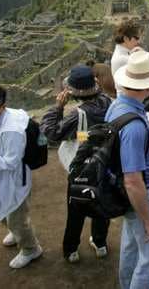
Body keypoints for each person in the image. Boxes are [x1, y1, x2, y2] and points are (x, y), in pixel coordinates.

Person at [40, 65, 113, 263]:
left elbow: (52, 133)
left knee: (76, 209)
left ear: (71, 92)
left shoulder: (78, 114)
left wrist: (58, 108)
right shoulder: (109, 102)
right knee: (101, 204)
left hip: (82, 167)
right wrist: (85, 136)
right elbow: (101, 132)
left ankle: (71, 250)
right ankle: (100, 244)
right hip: (104, 162)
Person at [108, 50, 149, 288]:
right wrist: (147, 218)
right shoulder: (134, 126)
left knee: (132, 245)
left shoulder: (117, 105)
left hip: (130, 194)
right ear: (148, 88)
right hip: (143, 195)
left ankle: (126, 283)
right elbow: (133, 180)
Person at [0, 85, 42, 269]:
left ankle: (31, 249)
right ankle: (16, 231)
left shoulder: (12, 130)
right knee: (0, 210)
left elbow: (10, 163)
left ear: (2, 107)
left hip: (13, 180)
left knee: (17, 217)